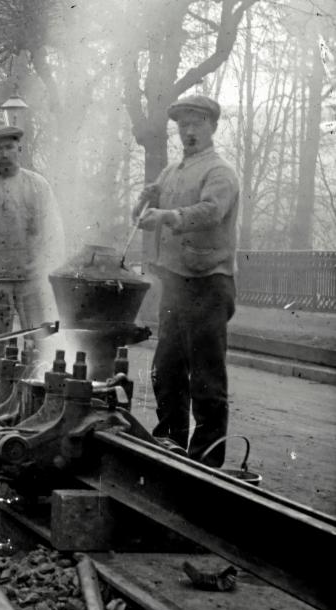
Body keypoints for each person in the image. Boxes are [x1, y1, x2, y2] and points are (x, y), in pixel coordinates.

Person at [134, 94, 239, 468]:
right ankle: (171, 448)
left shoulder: (220, 172)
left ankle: (207, 463)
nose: (189, 131)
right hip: (176, 283)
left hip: (209, 282)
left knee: (206, 377)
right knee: (166, 370)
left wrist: (167, 215)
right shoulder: (171, 173)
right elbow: (143, 216)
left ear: (213, 127)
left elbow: (211, 212)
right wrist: (145, 200)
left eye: (197, 124)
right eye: (183, 125)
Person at [0, 126, 64, 374]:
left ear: (19, 148)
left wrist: (50, 274)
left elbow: (53, 233)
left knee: (43, 342)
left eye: (9, 147)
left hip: (32, 280)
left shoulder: (38, 186)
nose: (4, 154)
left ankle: (39, 388)